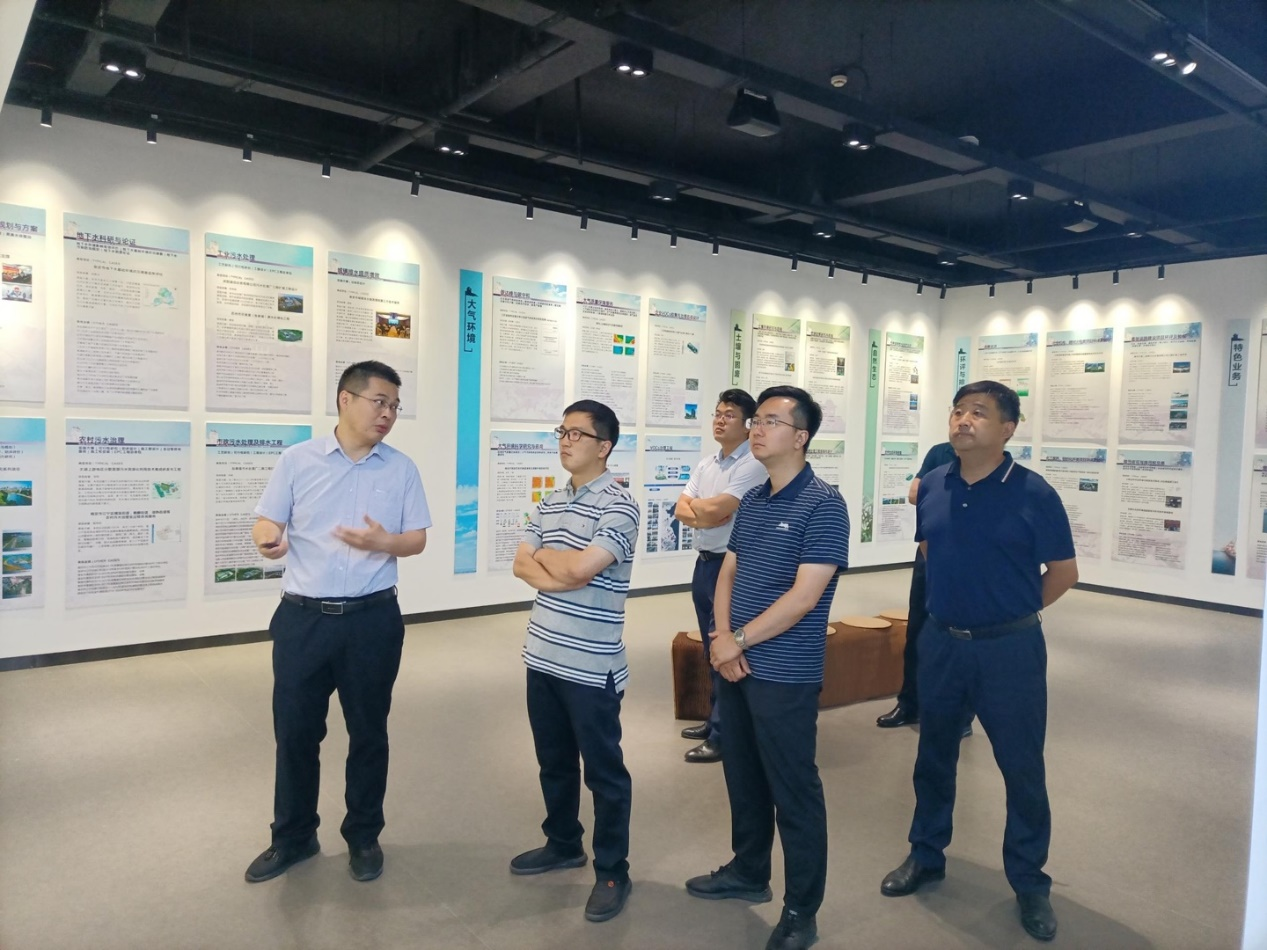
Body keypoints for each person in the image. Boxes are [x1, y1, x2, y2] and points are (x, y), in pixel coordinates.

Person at [880, 381, 1078, 943]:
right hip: (942, 643)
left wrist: (1008, 612)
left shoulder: (1033, 493)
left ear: (1008, 429)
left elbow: (1064, 573)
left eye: (980, 413)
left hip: (1009, 650)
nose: (963, 420)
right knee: (933, 755)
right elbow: (929, 549)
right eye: (958, 411)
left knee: (1021, 766)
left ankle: (1029, 881)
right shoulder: (934, 484)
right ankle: (926, 853)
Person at [244, 360, 430, 885]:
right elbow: (266, 519)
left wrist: (384, 542)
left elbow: (416, 539)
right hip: (303, 620)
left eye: (395, 406)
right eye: (379, 401)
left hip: (372, 621)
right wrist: (267, 539)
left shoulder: (401, 469)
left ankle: (364, 835)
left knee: (369, 732)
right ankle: (293, 836)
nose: (388, 414)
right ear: (345, 399)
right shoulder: (297, 461)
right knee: (296, 733)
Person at [685, 385, 850, 950]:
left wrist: (736, 642)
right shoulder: (754, 499)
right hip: (737, 663)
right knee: (744, 775)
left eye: (771, 421)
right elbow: (728, 572)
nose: (756, 428)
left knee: (793, 790)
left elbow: (804, 598)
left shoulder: (824, 504)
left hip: (784, 672)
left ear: (801, 437)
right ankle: (748, 870)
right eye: (755, 419)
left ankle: (802, 909)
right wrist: (721, 638)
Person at [509, 399, 641, 923]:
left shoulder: (620, 506)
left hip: (591, 665)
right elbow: (520, 564)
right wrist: (558, 567)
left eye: (577, 434)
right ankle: (563, 842)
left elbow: (582, 569)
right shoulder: (550, 500)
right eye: (561, 431)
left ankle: (612, 870)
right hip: (542, 655)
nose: (565, 441)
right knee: (554, 762)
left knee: (604, 774)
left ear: (604, 446)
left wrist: (552, 561)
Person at [673, 388, 766, 764]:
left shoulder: (752, 463)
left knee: (724, 644)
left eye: (729, 415)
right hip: (704, 562)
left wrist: (701, 511)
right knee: (709, 646)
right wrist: (703, 513)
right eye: (717, 413)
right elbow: (681, 509)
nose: (720, 420)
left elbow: (721, 508)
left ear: (747, 425)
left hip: (732, 567)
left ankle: (724, 734)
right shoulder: (707, 464)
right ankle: (715, 720)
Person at [875, 441, 965, 731]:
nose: (962, 422)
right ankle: (910, 703)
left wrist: (938, 492)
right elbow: (914, 493)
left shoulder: (994, 466)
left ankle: (960, 714)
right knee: (918, 631)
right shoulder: (940, 452)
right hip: (931, 553)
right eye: (956, 416)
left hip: (968, 560)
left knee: (960, 638)